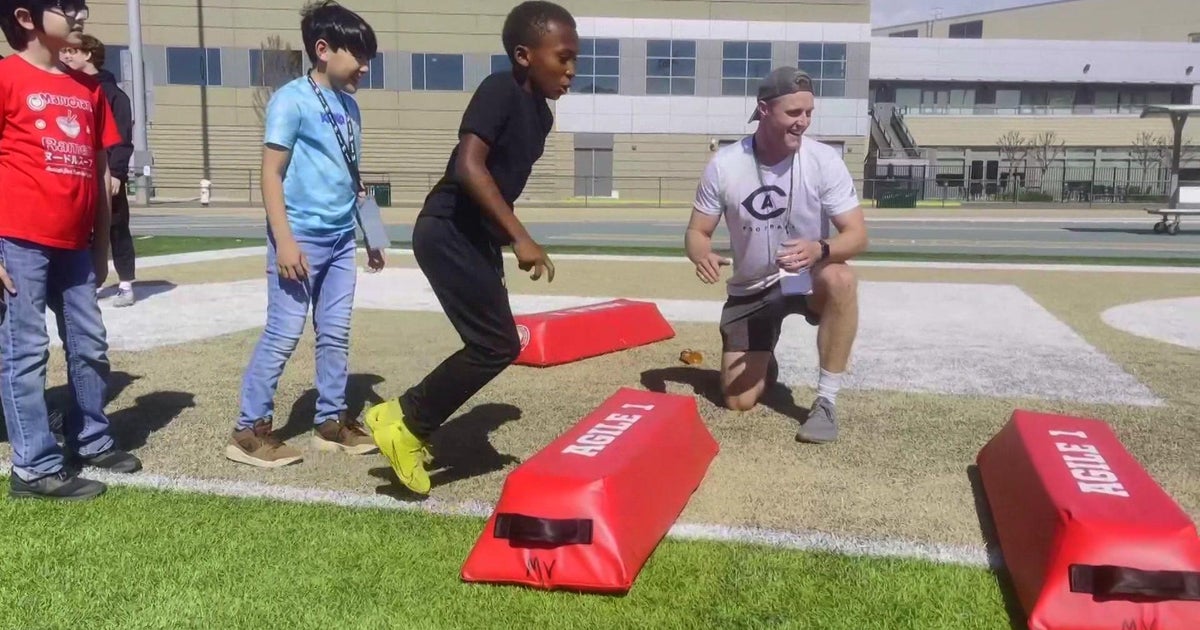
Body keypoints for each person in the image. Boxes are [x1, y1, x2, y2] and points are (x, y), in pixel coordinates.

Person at [365, 0, 578, 495]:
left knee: (497, 342)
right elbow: (469, 166)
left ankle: (400, 417)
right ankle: (405, 424)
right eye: (562, 57)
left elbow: (499, 186)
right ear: (525, 55)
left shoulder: (541, 118)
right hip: (445, 230)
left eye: (575, 60)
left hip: (475, 237)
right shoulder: (499, 89)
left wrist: (503, 236)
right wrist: (521, 236)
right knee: (496, 344)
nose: (570, 71)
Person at [223, 0, 385, 468]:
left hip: (339, 241)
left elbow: (354, 175)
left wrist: (371, 234)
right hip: (299, 238)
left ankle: (331, 422)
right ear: (323, 49)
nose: (365, 66)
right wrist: (285, 240)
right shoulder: (290, 100)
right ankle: (249, 431)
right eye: (358, 54)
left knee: (335, 333)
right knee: (284, 331)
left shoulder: (350, 107)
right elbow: (270, 174)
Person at [0, 0, 143, 500]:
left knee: (89, 344)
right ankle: (34, 466)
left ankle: (92, 437)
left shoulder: (89, 89)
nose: (81, 11)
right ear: (25, 18)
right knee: (26, 354)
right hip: (18, 242)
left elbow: (102, 172)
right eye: (66, 5)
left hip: (76, 246)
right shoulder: (6, 78)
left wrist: (101, 245)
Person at [685, 67, 869, 444]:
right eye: (793, 113)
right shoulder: (725, 164)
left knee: (841, 278)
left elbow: (857, 235)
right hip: (751, 287)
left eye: (809, 113)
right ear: (764, 110)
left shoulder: (824, 161)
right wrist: (700, 253)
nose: (803, 123)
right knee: (738, 400)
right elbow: (696, 232)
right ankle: (763, 355)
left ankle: (826, 401)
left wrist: (821, 248)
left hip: (805, 277)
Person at [59, 34, 137, 307]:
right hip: (78, 173)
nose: (65, 56)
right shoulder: (69, 89)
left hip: (108, 174)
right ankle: (84, 282)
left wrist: (116, 173)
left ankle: (126, 284)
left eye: (71, 51)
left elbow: (121, 138)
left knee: (116, 228)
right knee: (79, 227)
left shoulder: (113, 95)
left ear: (88, 54)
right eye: (63, 51)